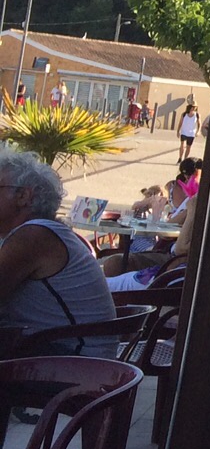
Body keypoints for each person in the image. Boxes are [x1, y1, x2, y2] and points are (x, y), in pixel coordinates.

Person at [0, 147, 118, 354]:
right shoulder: (43, 232)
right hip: (65, 352)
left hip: (73, 361)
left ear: (23, 196)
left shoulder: (34, 236)